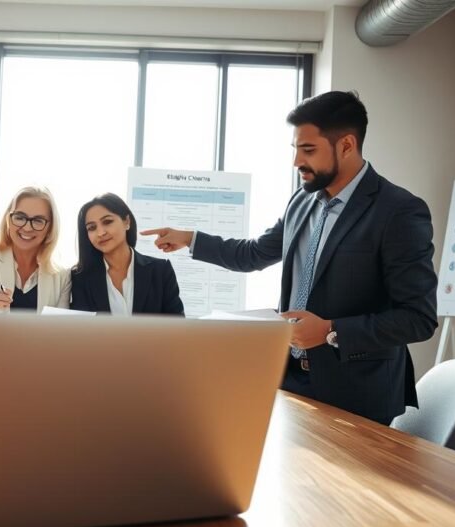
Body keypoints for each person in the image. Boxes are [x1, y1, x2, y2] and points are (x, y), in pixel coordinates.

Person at [142, 91, 437, 424]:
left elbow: (418, 318)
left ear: (346, 145)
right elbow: (254, 253)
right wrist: (191, 239)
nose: (297, 161)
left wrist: (330, 330)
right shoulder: (302, 201)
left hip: (358, 394)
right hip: (292, 379)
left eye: (308, 150)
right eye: (295, 149)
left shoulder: (398, 211)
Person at [0, 186, 71, 338]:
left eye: (38, 220)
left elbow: (62, 335)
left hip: (39, 359)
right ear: (8, 220)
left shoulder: (62, 275)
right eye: (20, 217)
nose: (26, 227)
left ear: (50, 227)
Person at [71, 193, 184, 316]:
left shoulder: (161, 271)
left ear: (127, 222)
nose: (100, 233)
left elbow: (176, 328)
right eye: (91, 228)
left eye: (107, 221)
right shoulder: (80, 277)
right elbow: (80, 332)